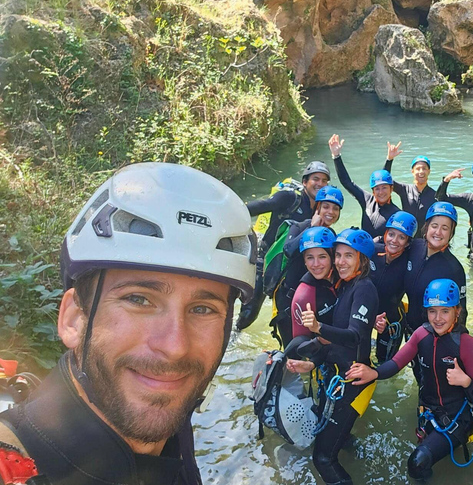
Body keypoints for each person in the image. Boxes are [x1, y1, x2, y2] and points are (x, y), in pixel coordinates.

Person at [0, 163, 257, 485]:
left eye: (203, 309)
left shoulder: (171, 428)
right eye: (138, 299)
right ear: (74, 319)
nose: (175, 347)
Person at [346, 279, 473, 481]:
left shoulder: (467, 344)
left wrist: (465, 381)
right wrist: (374, 372)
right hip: (428, 412)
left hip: (457, 419)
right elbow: (396, 362)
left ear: (457, 311)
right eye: (432, 311)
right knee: (424, 457)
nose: (437, 318)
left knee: (416, 463)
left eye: (445, 311)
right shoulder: (421, 334)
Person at [286, 229, 378, 485]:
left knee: (323, 459)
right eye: (337, 255)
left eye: (348, 255)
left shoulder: (364, 288)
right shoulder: (346, 285)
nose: (340, 262)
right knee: (333, 433)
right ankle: (357, 450)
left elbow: (354, 336)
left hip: (352, 381)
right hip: (337, 376)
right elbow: (333, 342)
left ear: (363, 260)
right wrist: (311, 361)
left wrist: (318, 327)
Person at [238, 160, 332, 330]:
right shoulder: (289, 198)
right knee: (249, 313)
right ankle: (232, 337)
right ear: (305, 182)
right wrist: (231, 210)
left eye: (324, 181)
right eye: (316, 179)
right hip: (267, 262)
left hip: (290, 268)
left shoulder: (321, 210)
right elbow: (262, 205)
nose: (320, 184)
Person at [271, 185, 344, 346]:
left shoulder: (330, 234)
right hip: (288, 300)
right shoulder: (300, 226)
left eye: (335, 208)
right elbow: (288, 249)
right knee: (294, 346)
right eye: (325, 206)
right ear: (317, 207)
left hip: (315, 297)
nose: (330, 212)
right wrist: (312, 227)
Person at [402, 202, 467, 336]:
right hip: (408, 329)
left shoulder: (454, 269)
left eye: (445, 228)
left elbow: (461, 312)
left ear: (451, 233)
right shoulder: (414, 247)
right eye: (434, 226)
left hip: (433, 337)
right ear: (426, 227)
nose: (438, 232)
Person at [329, 134, 400, 239]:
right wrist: (336, 156)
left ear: (391, 189)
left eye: (384, 188)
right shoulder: (367, 200)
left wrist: (389, 161)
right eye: (377, 189)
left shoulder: (396, 214)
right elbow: (347, 182)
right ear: (373, 191)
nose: (381, 192)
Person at [284, 227, 338, 361]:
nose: (316, 264)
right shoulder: (304, 295)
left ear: (332, 256)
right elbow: (298, 347)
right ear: (304, 261)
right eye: (310, 258)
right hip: (324, 359)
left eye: (322, 257)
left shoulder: (343, 276)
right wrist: (319, 341)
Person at [370, 211, 418, 362]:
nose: (394, 241)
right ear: (385, 234)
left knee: (384, 362)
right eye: (391, 234)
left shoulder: (409, 265)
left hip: (392, 321)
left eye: (401, 237)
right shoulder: (372, 251)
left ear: (408, 242)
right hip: (367, 314)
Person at [382, 141, 436, 233]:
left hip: (424, 240)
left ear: (429, 171)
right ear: (412, 171)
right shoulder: (405, 189)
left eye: (424, 168)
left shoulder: (434, 195)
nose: (421, 172)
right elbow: (384, 180)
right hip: (406, 236)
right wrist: (389, 159)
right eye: (418, 169)